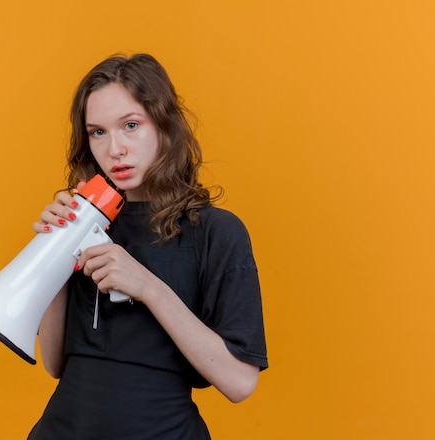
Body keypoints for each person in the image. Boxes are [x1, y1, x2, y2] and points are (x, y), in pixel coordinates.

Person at [27, 53, 268, 439]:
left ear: (164, 126)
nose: (114, 149)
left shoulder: (217, 233)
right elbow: (55, 363)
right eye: (98, 132)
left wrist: (149, 287)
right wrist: (55, 252)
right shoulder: (84, 220)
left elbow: (240, 382)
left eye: (131, 125)